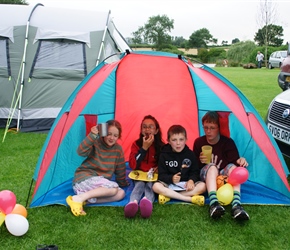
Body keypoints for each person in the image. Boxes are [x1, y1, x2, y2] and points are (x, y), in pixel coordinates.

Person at [193, 111, 249, 221]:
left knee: (233, 168)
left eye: (212, 128)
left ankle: (236, 205)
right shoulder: (199, 142)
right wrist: (200, 161)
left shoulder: (227, 142)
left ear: (219, 128)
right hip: (207, 176)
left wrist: (242, 160)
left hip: (224, 177)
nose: (208, 131)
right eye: (206, 127)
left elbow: (235, 163)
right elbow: (194, 168)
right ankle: (214, 203)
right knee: (212, 167)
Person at [66, 119, 129, 216]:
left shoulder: (118, 149)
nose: (112, 138)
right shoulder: (96, 142)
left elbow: (120, 169)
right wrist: (92, 135)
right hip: (84, 180)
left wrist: (122, 182)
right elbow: (80, 151)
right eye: (109, 134)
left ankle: (84, 200)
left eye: (115, 136)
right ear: (103, 133)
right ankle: (78, 198)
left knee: (121, 194)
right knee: (113, 188)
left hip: (97, 187)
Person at [152, 125, 206, 206]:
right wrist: (171, 178)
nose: (178, 143)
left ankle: (170, 196)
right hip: (169, 185)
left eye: (181, 139)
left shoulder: (190, 154)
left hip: (186, 186)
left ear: (186, 140)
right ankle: (189, 199)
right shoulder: (164, 155)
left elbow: (195, 172)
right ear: (168, 141)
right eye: (174, 140)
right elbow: (161, 175)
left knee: (203, 186)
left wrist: (191, 180)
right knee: (156, 186)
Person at [124, 115, 165, 218]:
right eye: (144, 126)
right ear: (141, 130)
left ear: (156, 131)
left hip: (153, 175)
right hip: (139, 174)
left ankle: (147, 202)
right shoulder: (136, 144)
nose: (147, 129)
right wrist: (143, 148)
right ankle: (133, 202)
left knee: (150, 186)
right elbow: (133, 164)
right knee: (139, 185)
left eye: (151, 127)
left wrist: (158, 169)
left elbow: (164, 163)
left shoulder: (161, 146)